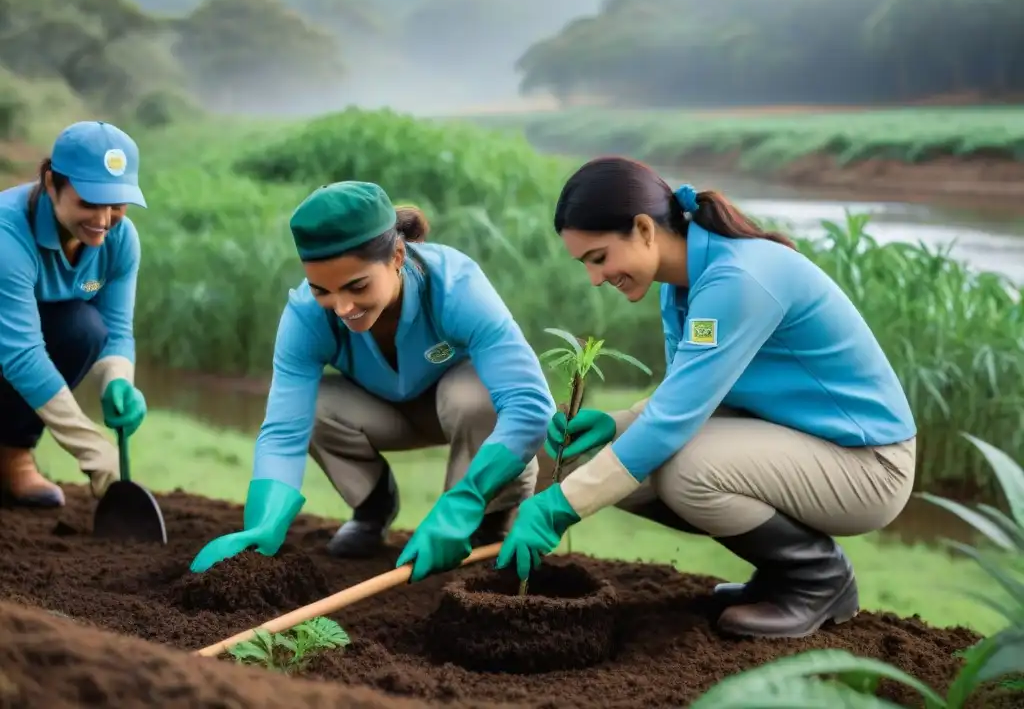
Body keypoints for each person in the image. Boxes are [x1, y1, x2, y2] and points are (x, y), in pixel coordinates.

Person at [495, 156, 917, 639]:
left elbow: (674, 423)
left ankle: (817, 577)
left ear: (644, 229)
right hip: (800, 445)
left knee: (684, 467)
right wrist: (616, 424)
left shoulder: (738, 279)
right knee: (607, 460)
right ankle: (780, 573)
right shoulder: (680, 286)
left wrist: (556, 508)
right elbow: (690, 395)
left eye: (599, 257)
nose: (595, 277)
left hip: (868, 465)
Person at [190, 181, 555, 579]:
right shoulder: (305, 316)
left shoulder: (456, 287)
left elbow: (530, 404)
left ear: (397, 255)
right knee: (310, 407)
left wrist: (465, 499)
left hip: (464, 413)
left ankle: (488, 517)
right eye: (322, 290)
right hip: (383, 410)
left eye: (357, 285)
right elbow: (283, 431)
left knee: (475, 396)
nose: (342, 307)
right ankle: (373, 506)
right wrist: (262, 525)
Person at [0, 120, 149, 508]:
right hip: (9, 347)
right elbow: (20, 353)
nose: (103, 220)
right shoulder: (7, 232)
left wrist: (118, 380)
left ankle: (11, 454)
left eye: (116, 205)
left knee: (83, 329)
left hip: (18, 349)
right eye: (88, 202)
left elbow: (115, 328)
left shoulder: (121, 239)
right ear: (52, 185)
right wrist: (90, 446)